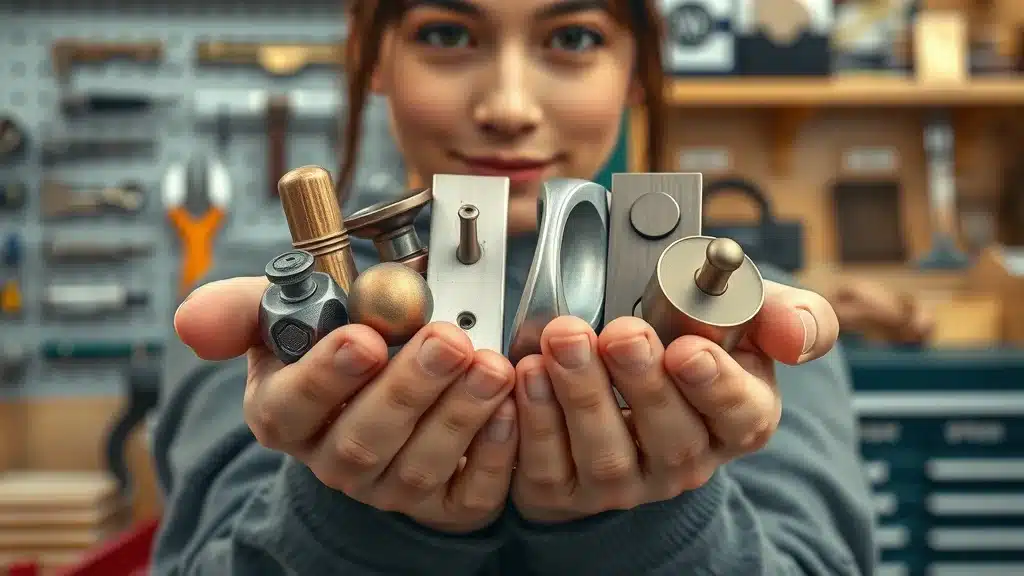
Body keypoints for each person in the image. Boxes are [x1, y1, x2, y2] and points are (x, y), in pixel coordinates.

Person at [151, 0, 877, 574]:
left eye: (574, 38)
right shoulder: (265, 311)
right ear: (370, 51)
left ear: (635, 63)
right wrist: (346, 518)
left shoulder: (747, 322)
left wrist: (654, 519)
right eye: (445, 32)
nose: (508, 106)